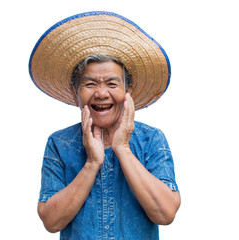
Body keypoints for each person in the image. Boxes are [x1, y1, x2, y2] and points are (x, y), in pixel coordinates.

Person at [29, 11, 181, 239]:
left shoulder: (151, 139)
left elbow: (165, 213)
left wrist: (123, 148)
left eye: (112, 83)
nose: (101, 93)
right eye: (90, 84)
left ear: (127, 91)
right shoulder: (59, 144)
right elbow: (51, 221)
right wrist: (92, 163)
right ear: (75, 93)